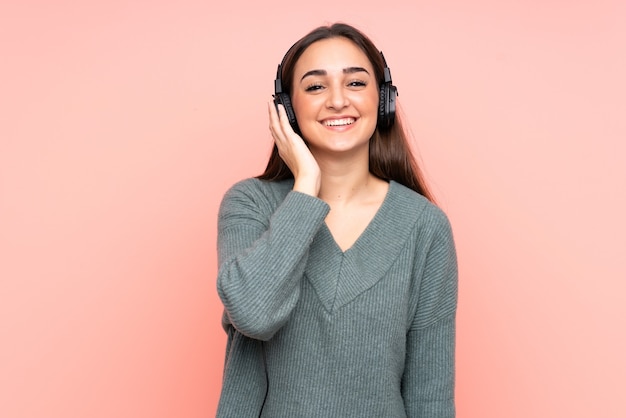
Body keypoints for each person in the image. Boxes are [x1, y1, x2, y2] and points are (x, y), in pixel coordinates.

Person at [215, 22, 458, 418]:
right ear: (287, 109)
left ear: (383, 101)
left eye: (356, 83)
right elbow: (254, 315)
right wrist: (306, 186)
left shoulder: (424, 227)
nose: (337, 100)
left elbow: (430, 397)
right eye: (315, 87)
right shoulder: (250, 204)